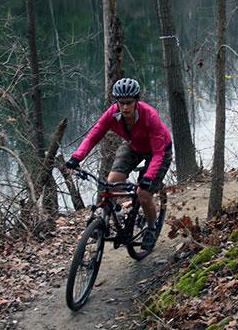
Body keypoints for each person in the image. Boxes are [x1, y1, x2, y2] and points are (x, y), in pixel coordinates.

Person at [65, 77, 173, 252]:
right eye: (121, 103)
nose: (124, 107)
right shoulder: (113, 114)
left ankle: (152, 228)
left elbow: (159, 153)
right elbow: (94, 135)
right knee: (112, 182)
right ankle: (118, 213)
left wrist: (148, 178)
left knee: (144, 194)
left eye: (129, 103)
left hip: (159, 150)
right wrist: (77, 157)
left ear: (136, 101)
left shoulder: (149, 116)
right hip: (134, 145)